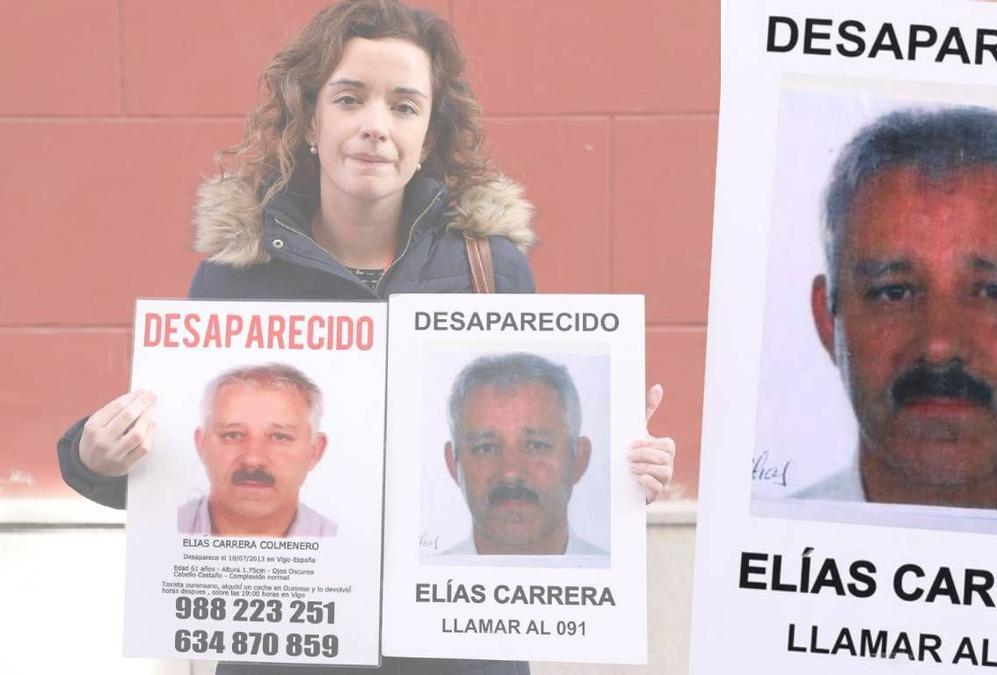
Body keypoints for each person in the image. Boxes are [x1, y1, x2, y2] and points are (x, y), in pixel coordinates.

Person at [55, 1, 676, 673]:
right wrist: (97, 455)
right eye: (350, 99)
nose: (376, 127)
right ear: (311, 122)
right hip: (292, 653)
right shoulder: (238, 274)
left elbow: (538, 449)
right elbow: (185, 466)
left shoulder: (490, 267)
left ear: (430, 137)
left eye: (405, 107)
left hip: (457, 653)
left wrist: (626, 467)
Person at [799, 107, 997, 515]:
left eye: (995, 292)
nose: (938, 345)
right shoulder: (766, 541)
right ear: (828, 321)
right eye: (894, 292)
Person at [441, 353, 606, 556]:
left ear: (578, 459)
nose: (510, 473)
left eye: (536, 445)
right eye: (486, 448)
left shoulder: (619, 580)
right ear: (452, 464)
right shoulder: (419, 581)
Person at [179, 363, 336, 538]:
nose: (253, 459)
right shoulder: (158, 530)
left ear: (314, 451)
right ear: (202, 444)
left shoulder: (347, 547)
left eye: (279, 437)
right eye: (233, 435)